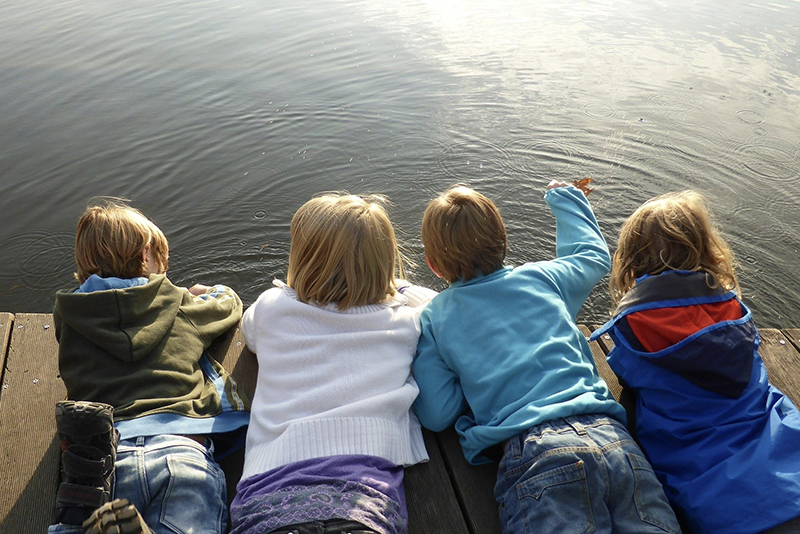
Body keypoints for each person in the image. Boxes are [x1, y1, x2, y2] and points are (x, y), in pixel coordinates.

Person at [412, 183, 680, 534]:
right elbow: (592, 256)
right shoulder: (544, 277)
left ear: (433, 265)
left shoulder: (434, 317)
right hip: (614, 440)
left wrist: (475, 376)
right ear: (503, 242)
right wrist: (564, 197)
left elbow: (436, 414)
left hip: (537, 452)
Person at [590, 190, 800, 534]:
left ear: (630, 261)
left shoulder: (633, 326)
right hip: (788, 460)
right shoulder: (733, 310)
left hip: (719, 495)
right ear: (706, 249)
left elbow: (627, 374)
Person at [230, 193, 434, 534]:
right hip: (364, 491)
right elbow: (442, 305)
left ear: (302, 260)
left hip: (270, 487)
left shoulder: (271, 308)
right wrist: (399, 287)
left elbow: (249, 336)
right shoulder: (404, 323)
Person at [50, 198, 249, 534]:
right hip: (181, 451)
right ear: (146, 255)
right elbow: (228, 305)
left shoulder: (70, 314)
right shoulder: (178, 303)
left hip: (106, 459)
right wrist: (210, 290)